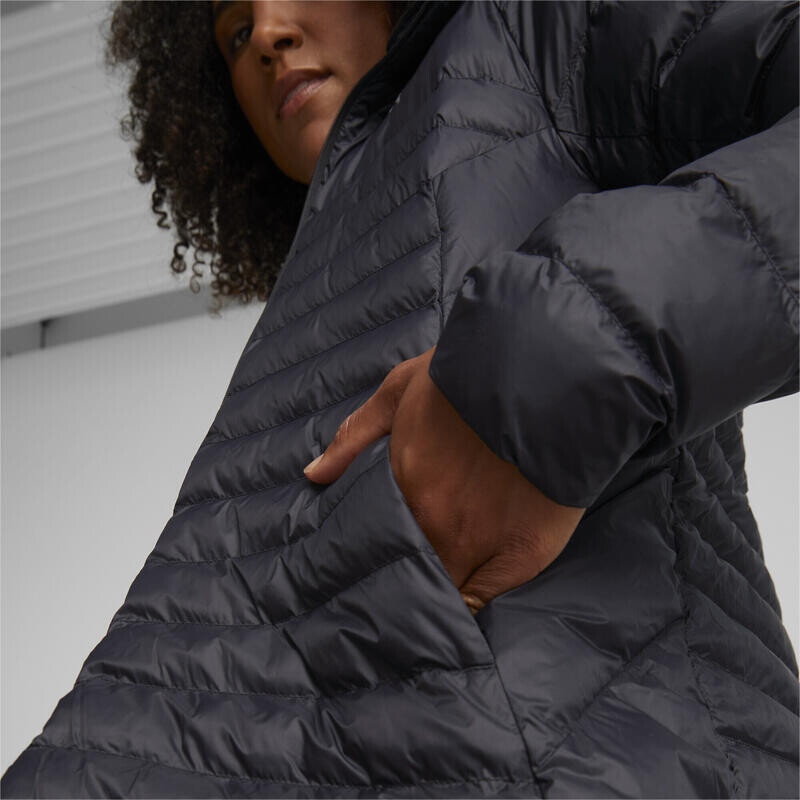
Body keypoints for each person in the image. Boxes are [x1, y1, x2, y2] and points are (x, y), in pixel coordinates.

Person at [2, 1, 798, 797]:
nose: (268, 37)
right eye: (236, 34)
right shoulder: (321, 265)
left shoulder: (528, 33)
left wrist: (548, 355)